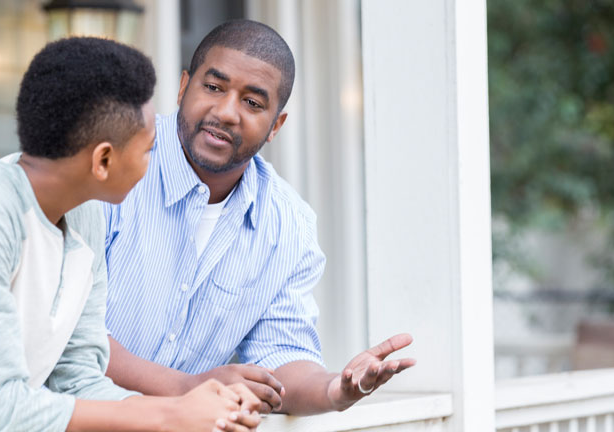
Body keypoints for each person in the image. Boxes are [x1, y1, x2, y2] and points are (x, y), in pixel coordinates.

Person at [0, 37, 260, 432]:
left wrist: (203, 413)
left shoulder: (85, 215)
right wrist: (168, 414)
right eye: (149, 149)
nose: (154, 161)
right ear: (104, 160)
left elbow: (76, 378)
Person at [103, 20, 416, 415]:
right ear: (184, 87)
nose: (227, 112)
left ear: (276, 126)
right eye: (213, 87)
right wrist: (187, 388)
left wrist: (336, 390)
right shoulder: (111, 164)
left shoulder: (289, 226)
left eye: (253, 103)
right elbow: (68, 330)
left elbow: (281, 355)